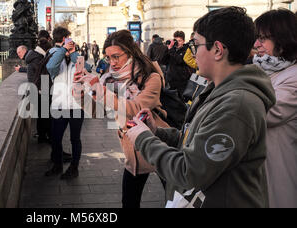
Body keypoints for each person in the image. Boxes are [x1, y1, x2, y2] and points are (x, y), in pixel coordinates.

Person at [126, 6, 276, 208]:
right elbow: (194, 141)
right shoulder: (219, 90)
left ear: (217, 50)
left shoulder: (237, 105)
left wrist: (143, 139)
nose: (193, 53)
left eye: (196, 45)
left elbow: (189, 172)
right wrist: (157, 132)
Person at [73, 30, 169, 208]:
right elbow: (96, 112)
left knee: (173, 201)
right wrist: (79, 92)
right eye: (108, 58)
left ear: (131, 52)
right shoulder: (109, 78)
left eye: (116, 56)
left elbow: (137, 109)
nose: (112, 63)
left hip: (160, 146)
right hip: (133, 153)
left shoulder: (152, 77)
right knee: (129, 202)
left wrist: (101, 91)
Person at [253, 9, 297, 208]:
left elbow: (266, 111)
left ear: (282, 39)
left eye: (263, 39)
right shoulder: (265, 71)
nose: (256, 45)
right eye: (257, 38)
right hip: (263, 170)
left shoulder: (293, 77)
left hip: (280, 171)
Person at [45, 27, 91, 180]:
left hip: (77, 105)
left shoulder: (77, 56)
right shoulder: (53, 55)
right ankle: (57, 165)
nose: (71, 42)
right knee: (56, 138)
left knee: (75, 138)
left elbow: (85, 69)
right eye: (68, 39)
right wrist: (63, 49)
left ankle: (74, 168)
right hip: (59, 105)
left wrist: (72, 53)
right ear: (64, 39)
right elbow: (51, 67)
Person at [163, 31, 193, 98]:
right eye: (176, 41)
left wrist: (171, 50)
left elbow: (180, 60)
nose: (178, 43)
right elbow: (163, 61)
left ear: (183, 41)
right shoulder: (172, 50)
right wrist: (167, 49)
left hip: (182, 81)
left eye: (179, 41)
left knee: (182, 101)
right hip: (171, 81)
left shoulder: (186, 50)